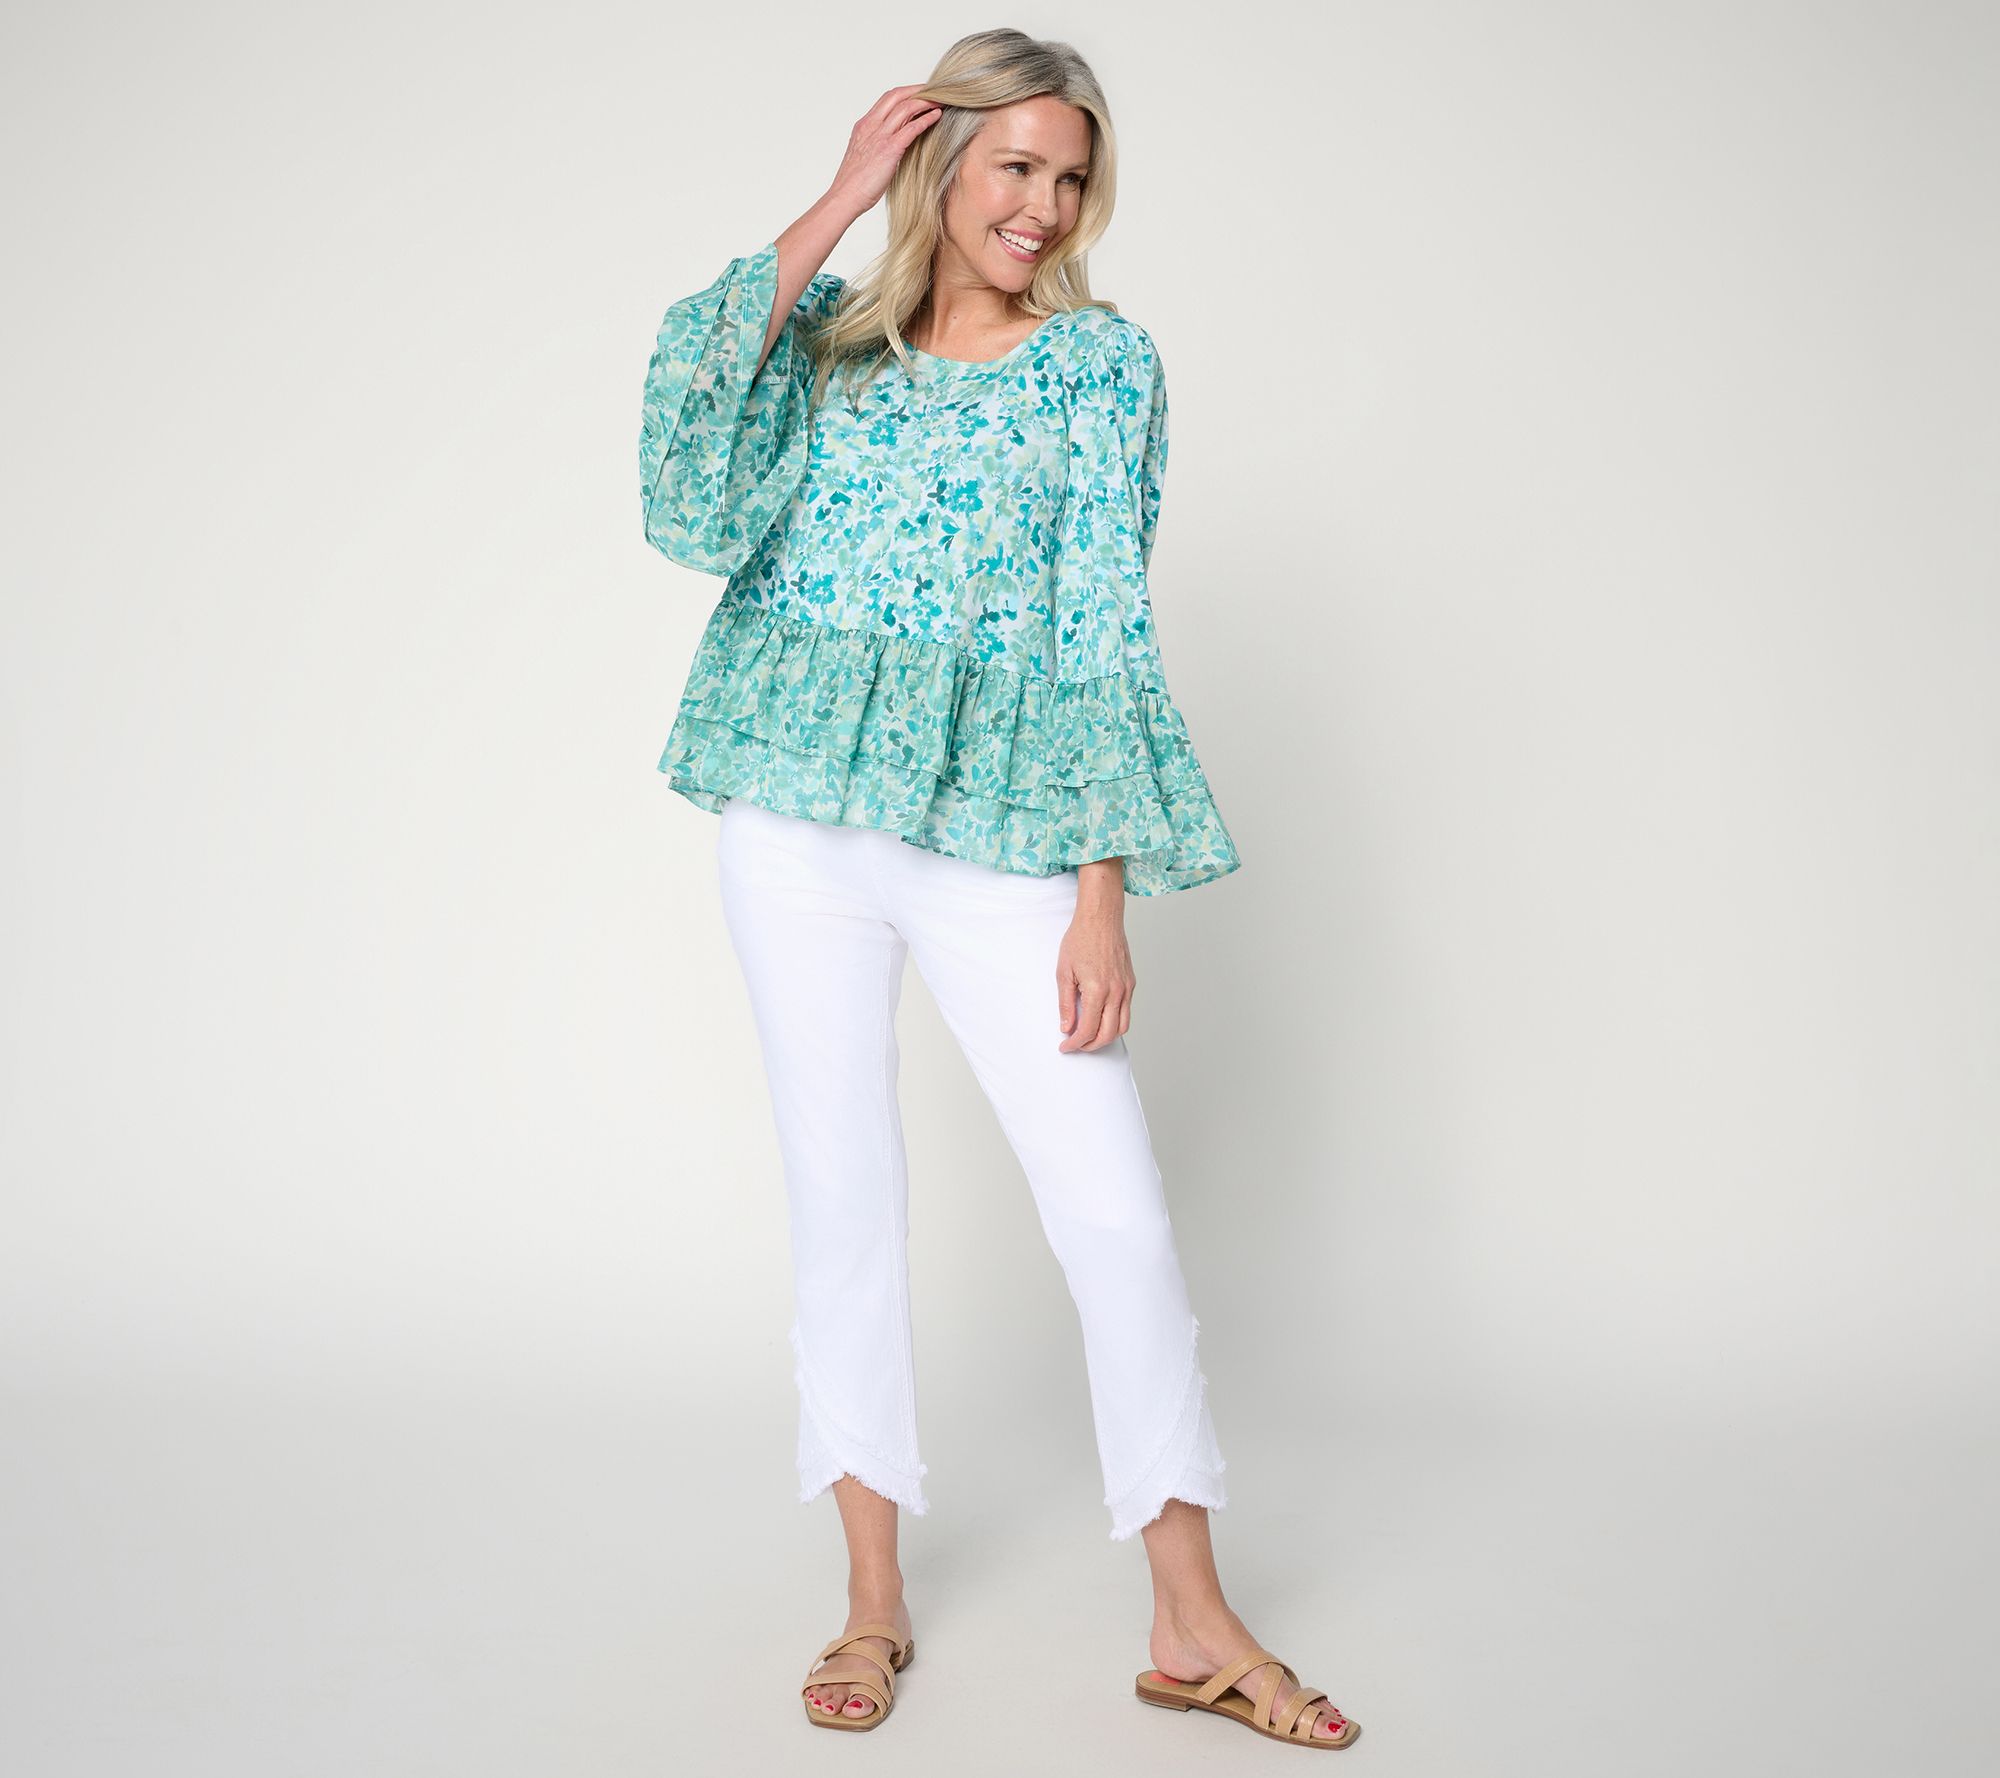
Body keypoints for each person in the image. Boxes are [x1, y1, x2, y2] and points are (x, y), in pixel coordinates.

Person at [636, 27, 1359, 1751]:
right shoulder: (829, 352)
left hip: (1003, 833)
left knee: (1113, 1211)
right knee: (845, 1194)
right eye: (1015, 164)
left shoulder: (1100, 367)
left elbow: (1102, 616)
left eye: (1070, 174)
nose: (1043, 204)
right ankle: (872, 1597)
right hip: (794, 817)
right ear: (942, 164)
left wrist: (1102, 891)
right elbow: (682, 464)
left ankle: (1191, 1617)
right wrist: (835, 197)